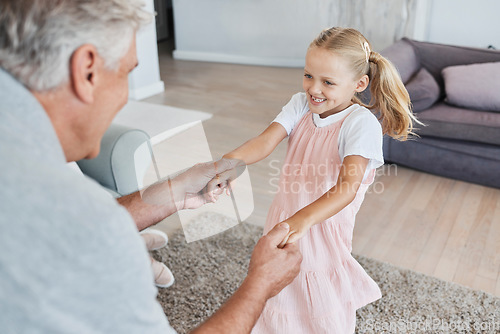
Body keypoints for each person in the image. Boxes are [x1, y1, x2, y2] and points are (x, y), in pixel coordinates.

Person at [0, 1, 302, 333]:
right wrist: (259, 285)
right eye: (128, 72)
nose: (124, 95)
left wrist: (175, 191)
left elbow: (54, 233)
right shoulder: (87, 226)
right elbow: (78, 229)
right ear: (87, 70)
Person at [220, 27, 420, 333]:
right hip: (285, 215)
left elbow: (346, 189)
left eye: (328, 82)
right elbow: (265, 141)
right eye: (308, 75)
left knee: (318, 293)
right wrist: (227, 163)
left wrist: (301, 221)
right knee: (277, 286)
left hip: (321, 226)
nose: (314, 88)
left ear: (359, 84)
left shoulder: (359, 124)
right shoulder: (300, 104)